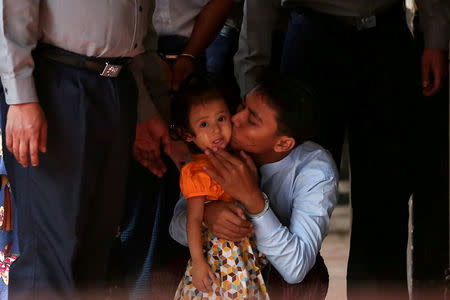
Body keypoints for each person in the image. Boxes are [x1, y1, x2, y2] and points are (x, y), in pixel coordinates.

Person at [234, 1, 449, 298]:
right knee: (286, 195)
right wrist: (252, 75)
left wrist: (436, 36)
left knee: (386, 197)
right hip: (312, 39)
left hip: (387, 38)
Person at [0, 1, 165, 298]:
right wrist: (21, 97)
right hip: (55, 80)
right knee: (51, 258)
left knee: (95, 250)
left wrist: (142, 109)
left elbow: (137, 23)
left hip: (117, 84)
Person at [170, 73, 338, 298]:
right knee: (164, 274)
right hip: (217, 260)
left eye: (252, 120)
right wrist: (207, 215)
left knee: (308, 283)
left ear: (283, 143)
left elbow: (296, 268)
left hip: (267, 264)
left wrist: (253, 201)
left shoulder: (314, 170)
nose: (234, 118)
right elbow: (176, 226)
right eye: (241, 106)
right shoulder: (214, 143)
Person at [169, 79, 268, 299]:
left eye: (221, 119)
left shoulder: (239, 158)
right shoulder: (197, 171)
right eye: (204, 125)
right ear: (188, 134)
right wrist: (198, 263)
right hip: (218, 256)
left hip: (243, 251)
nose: (216, 130)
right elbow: (193, 219)